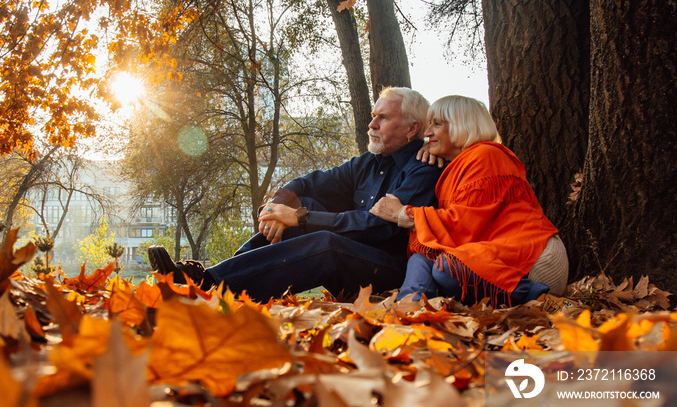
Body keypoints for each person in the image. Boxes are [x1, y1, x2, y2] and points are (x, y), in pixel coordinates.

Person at [148, 87, 444, 302]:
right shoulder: (366, 164)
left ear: (412, 128)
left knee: (321, 237)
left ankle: (208, 287)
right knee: (304, 205)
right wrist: (278, 207)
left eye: (383, 117)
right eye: (372, 115)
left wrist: (300, 218)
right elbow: (309, 184)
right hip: (350, 255)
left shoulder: (424, 167)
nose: (371, 124)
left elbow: (381, 229)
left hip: (390, 267)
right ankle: (212, 279)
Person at [370, 95, 568, 307]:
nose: (427, 133)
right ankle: (411, 310)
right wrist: (431, 149)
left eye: (436, 124)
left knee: (446, 267)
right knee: (422, 257)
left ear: (461, 125)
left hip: (531, 262)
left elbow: (466, 224)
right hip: (485, 255)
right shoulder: (460, 163)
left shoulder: (486, 156)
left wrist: (403, 214)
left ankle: (543, 300)